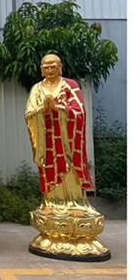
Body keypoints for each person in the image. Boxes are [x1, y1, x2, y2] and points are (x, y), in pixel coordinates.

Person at [24, 53, 97, 217]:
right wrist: (42, 109)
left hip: (67, 140)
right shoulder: (37, 89)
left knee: (70, 169)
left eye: (53, 66)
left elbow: (79, 111)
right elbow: (29, 114)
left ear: (60, 68)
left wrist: (58, 108)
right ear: (41, 70)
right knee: (49, 168)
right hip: (47, 139)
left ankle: (76, 203)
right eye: (46, 67)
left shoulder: (70, 86)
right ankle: (51, 202)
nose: (50, 70)